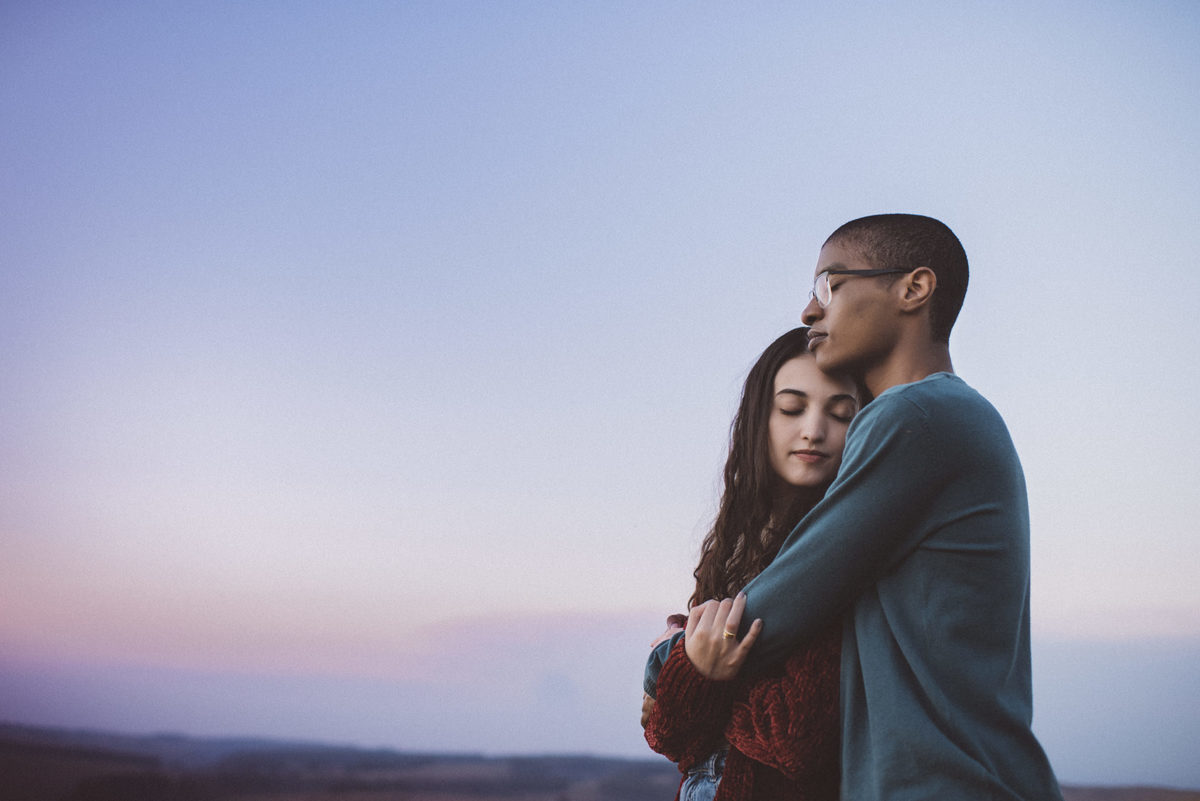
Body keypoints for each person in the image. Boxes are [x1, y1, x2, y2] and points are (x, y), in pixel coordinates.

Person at [702, 214, 1063, 799]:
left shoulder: (914, 418)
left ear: (913, 290)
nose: (809, 311)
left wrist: (668, 661)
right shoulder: (948, 416)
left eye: (829, 285)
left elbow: (770, 614)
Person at [642, 326, 862, 801]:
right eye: (791, 408)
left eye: (841, 414)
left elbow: (793, 738)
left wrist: (690, 667)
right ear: (759, 418)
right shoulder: (736, 545)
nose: (814, 430)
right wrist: (693, 666)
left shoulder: (851, 548)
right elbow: (671, 738)